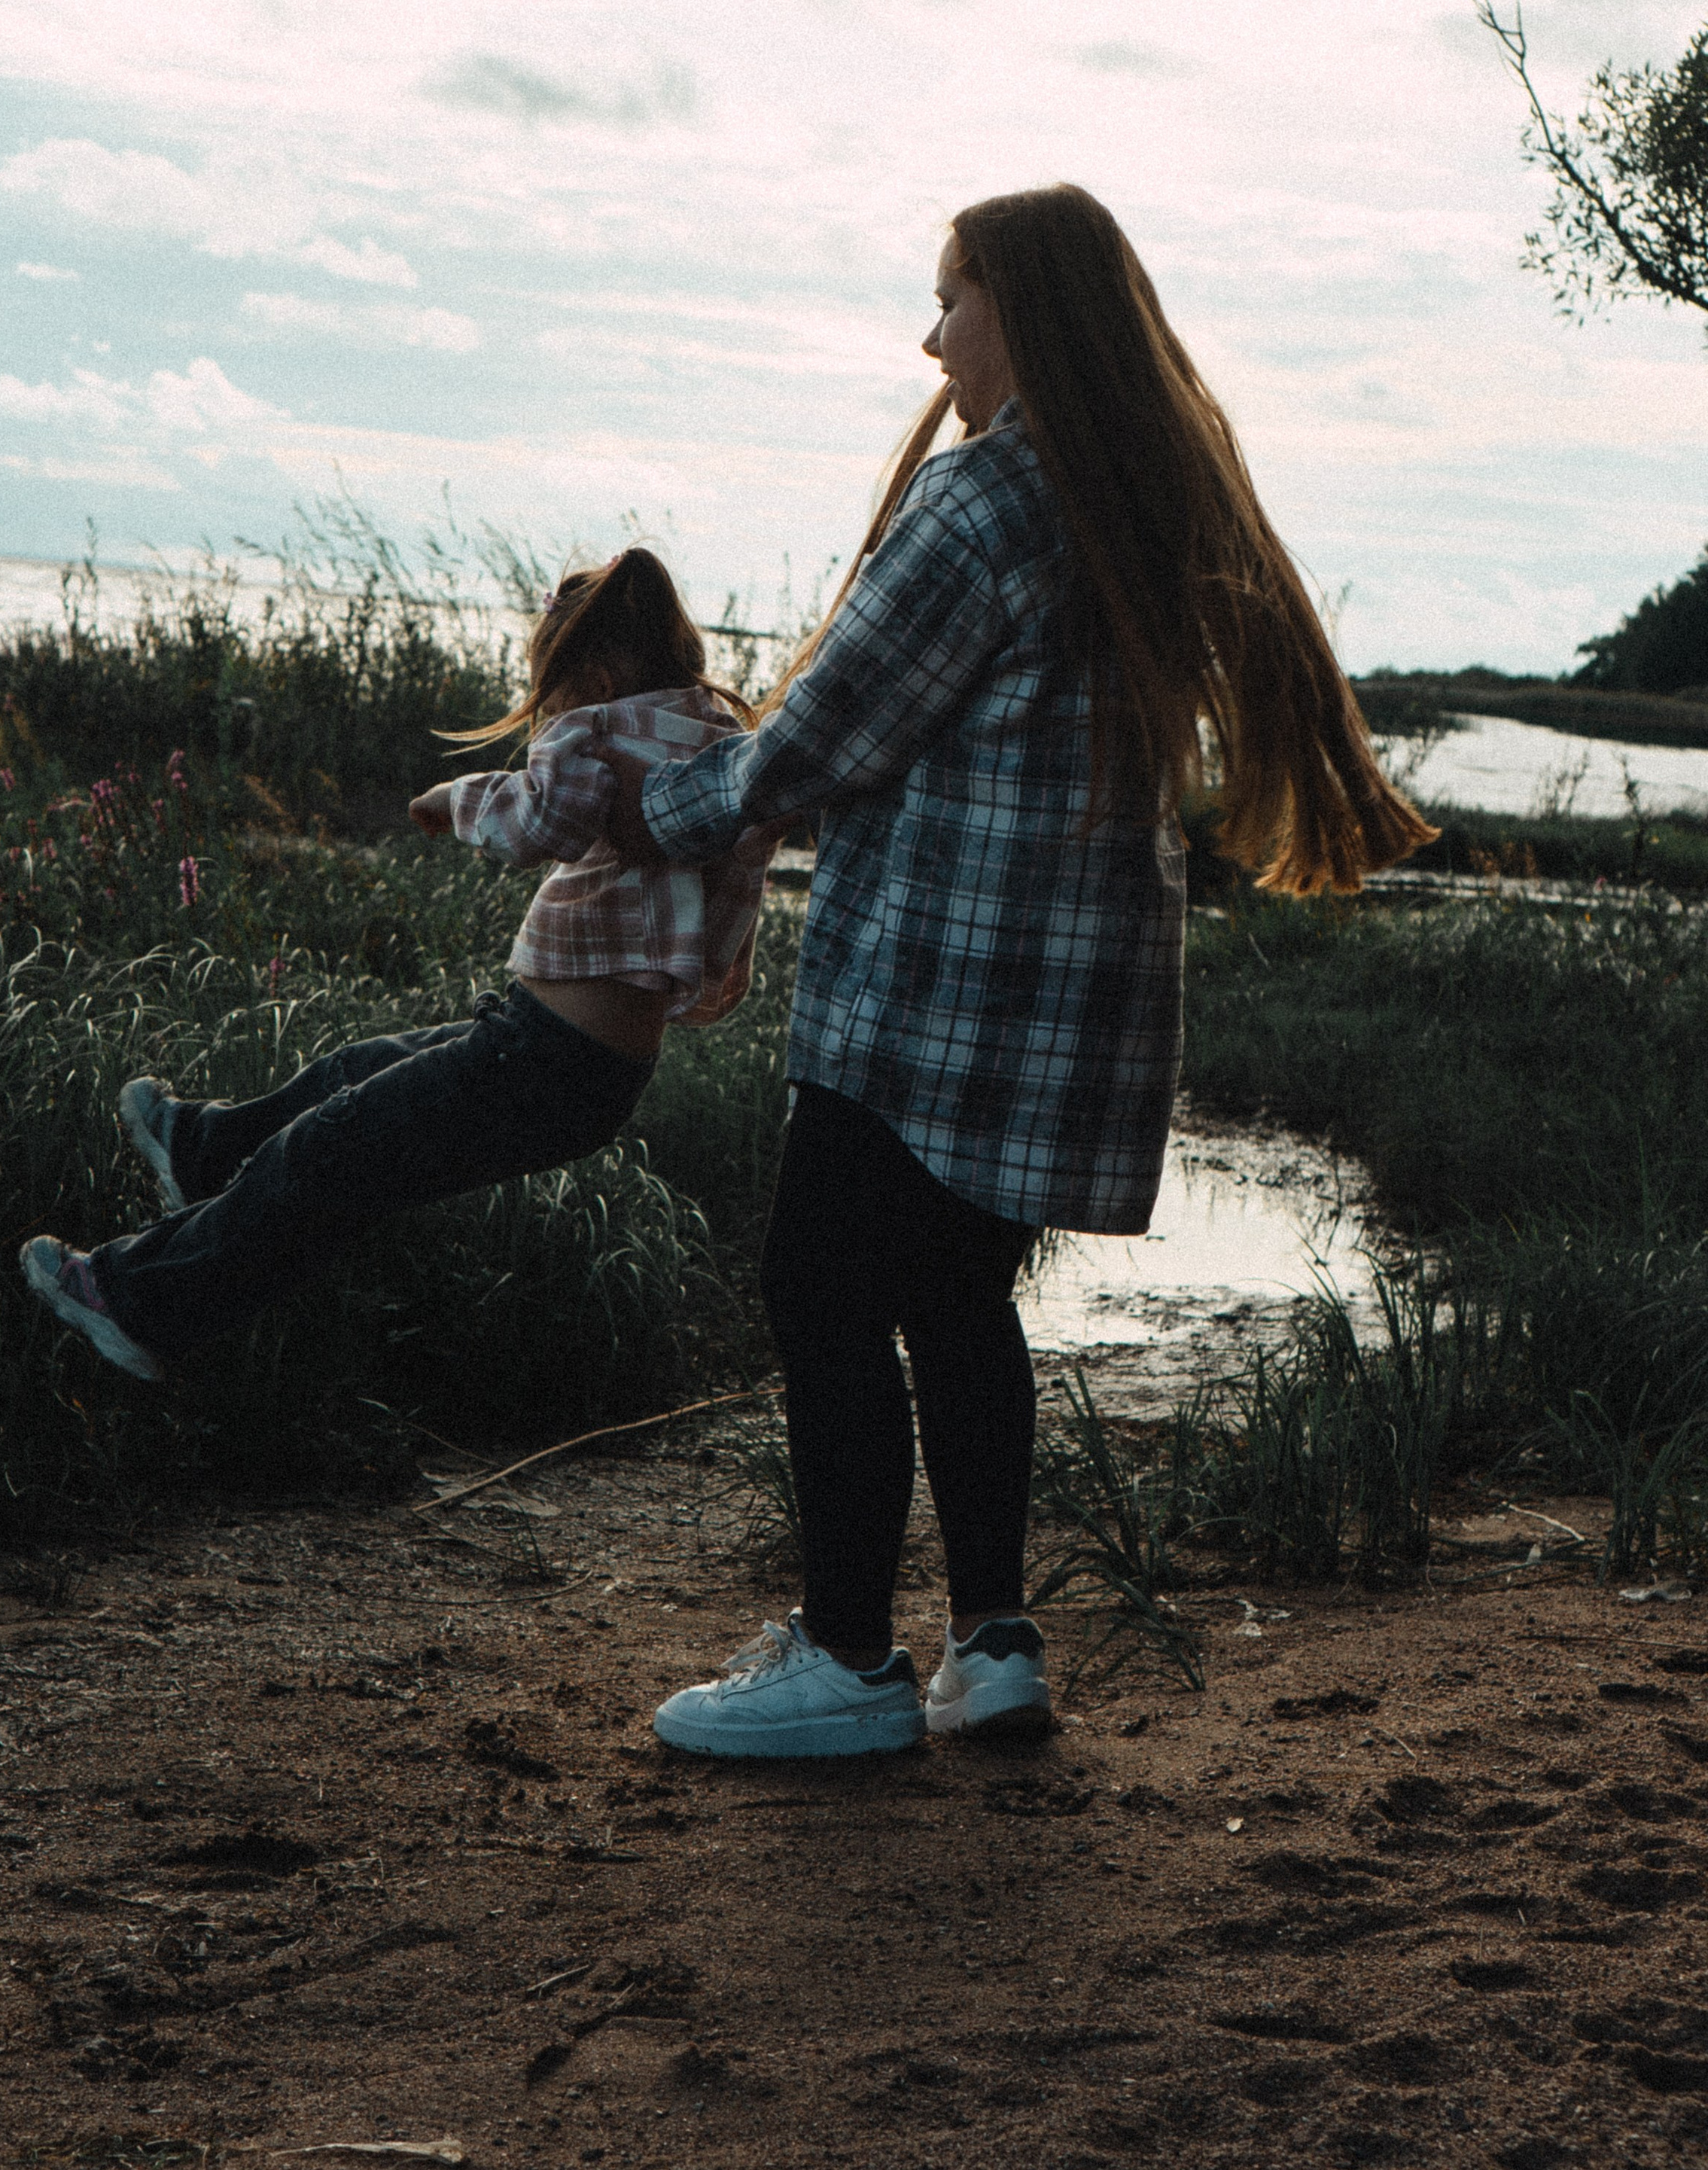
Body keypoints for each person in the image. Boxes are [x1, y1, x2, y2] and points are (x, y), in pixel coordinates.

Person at [601, 184, 1437, 1761]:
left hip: (935, 983)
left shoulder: (986, 498)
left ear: (1022, 310)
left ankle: (848, 1661)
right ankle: (991, 1644)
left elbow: (827, 735)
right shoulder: (1130, 494)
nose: (931, 340)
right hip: (1058, 1001)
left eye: (950, 299)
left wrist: (650, 813)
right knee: (955, 1294)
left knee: (817, 1284)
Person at [20, 549, 778, 1382]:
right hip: (575, 1062)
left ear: (594, 678)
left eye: (549, 698)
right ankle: (203, 1150)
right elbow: (738, 883)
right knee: (355, 1078)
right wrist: (706, 981)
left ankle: (137, 1302)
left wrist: (455, 800)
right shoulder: (722, 743)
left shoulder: (597, 725)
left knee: (330, 1154)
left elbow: (537, 827)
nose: (547, 718)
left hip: (545, 1058)